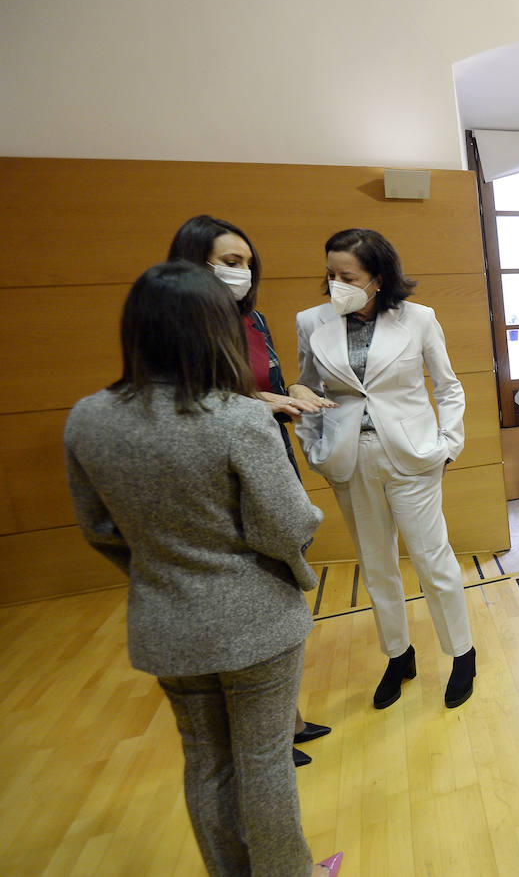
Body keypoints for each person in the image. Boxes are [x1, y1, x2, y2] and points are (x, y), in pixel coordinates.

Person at [64, 262, 339, 877]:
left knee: (206, 761)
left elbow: (99, 530)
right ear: (213, 330)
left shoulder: (88, 419)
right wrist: (291, 559)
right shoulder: (239, 418)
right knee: (264, 761)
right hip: (258, 621)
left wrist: (160, 568)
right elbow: (288, 525)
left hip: (167, 624)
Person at [167, 214, 333, 765]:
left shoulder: (253, 320)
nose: (241, 273)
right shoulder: (177, 328)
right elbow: (194, 400)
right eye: (229, 263)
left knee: (282, 588)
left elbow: (270, 388)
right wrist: (266, 404)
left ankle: (287, 717)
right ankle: (266, 737)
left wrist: (295, 394)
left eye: (247, 263)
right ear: (196, 264)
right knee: (252, 602)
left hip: (272, 460)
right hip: (220, 473)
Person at [292, 228, 476, 710]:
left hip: (412, 456)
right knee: (376, 567)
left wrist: (449, 444)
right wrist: (315, 451)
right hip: (351, 460)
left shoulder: (418, 319)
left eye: (347, 275)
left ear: (376, 277)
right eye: (330, 273)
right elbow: (302, 390)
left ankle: (462, 653)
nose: (336, 283)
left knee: (433, 560)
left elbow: (448, 386)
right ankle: (399, 655)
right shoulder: (312, 322)